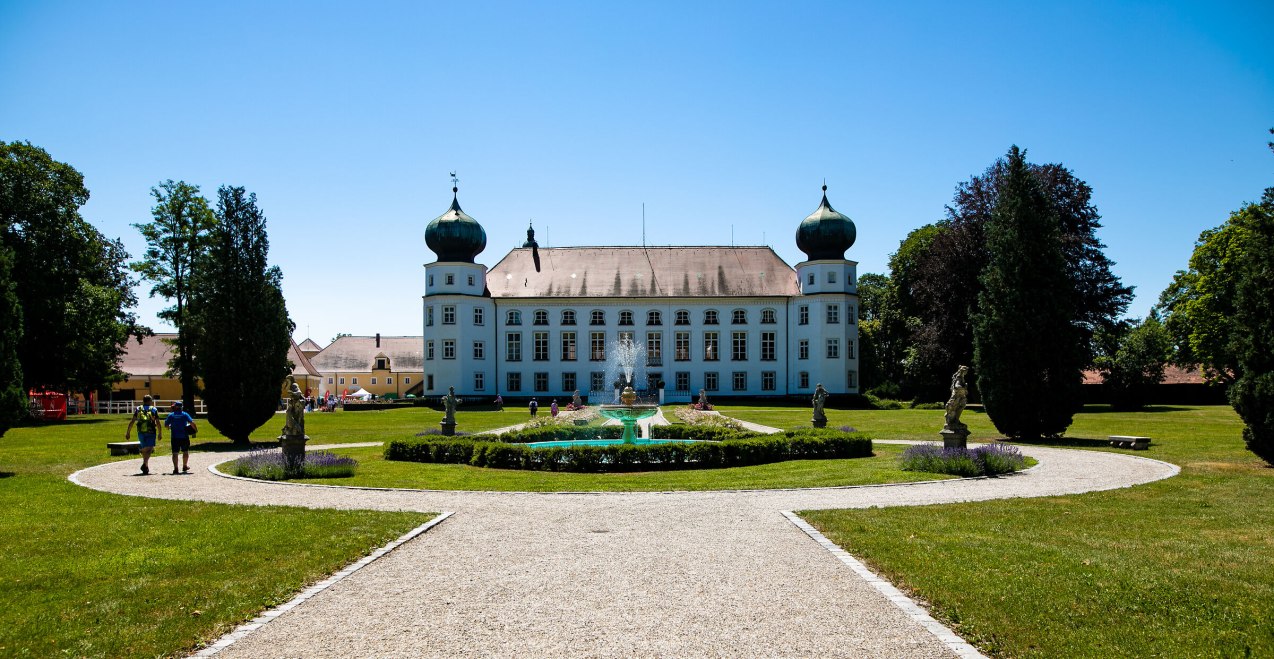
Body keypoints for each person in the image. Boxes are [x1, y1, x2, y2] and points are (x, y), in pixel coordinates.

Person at [124, 395, 162, 475]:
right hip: (151, 432)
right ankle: (144, 463)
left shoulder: (138, 409)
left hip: (140, 431)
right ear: (149, 401)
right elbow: (158, 422)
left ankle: (146, 467)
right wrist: (160, 433)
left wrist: (128, 432)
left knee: (145, 448)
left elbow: (132, 421)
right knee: (149, 449)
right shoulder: (154, 409)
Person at [164, 401, 197, 475]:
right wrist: (195, 430)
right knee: (185, 451)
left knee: (175, 453)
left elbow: (166, 425)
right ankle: (184, 466)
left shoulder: (171, 415)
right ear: (181, 407)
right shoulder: (185, 414)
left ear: (175, 407)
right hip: (184, 436)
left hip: (174, 436)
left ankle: (176, 468)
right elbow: (192, 423)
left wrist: (169, 427)